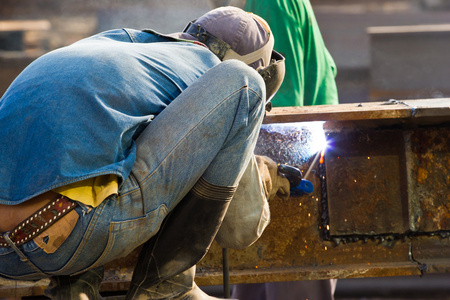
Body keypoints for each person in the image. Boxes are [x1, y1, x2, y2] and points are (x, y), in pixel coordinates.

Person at [0, 7, 290, 300]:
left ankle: (74, 289)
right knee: (245, 83)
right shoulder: (219, 74)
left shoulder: (120, 45)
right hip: (64, 238)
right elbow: (240, 229)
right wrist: (262, 177)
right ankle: (168, 289)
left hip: (6, 257)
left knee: (106, 146)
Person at [206, 1, 339, 299]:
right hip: (277, 167)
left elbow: (281, 115)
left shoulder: (272, 4)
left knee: (293, 275)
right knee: (255, 274)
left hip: (295, 171)